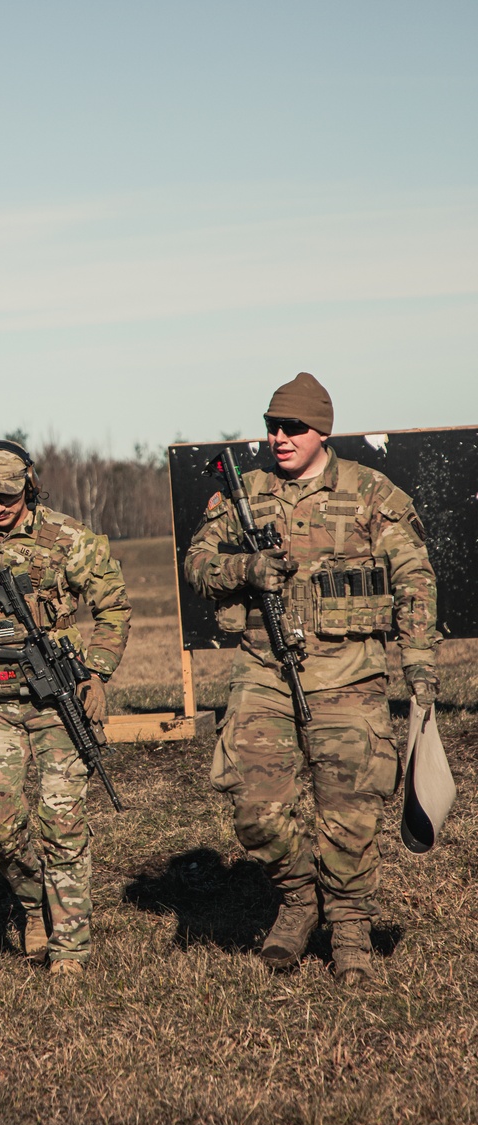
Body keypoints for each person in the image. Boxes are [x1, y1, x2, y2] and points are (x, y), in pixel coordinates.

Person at [184, 373, 439, 983]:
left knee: (349, 815)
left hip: (350, 675)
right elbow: (197, 563)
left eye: (293, 427)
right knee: (254, 807)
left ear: (322, 430)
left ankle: (349, 929)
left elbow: (415, 578)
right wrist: (245, 569)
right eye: (273, 426)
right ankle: (299, 898)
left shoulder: (371, 493)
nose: (280, 437)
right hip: (264, 672)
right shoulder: (246, 494)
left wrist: (419, 664)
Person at [0, 441, 130, 974]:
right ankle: (35, 900)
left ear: (30, 486)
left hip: (60, 703)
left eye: (8, 495)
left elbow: (113, 607)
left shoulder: (69, 539)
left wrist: (97, 673)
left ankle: (69, 949)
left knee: (61, 822)